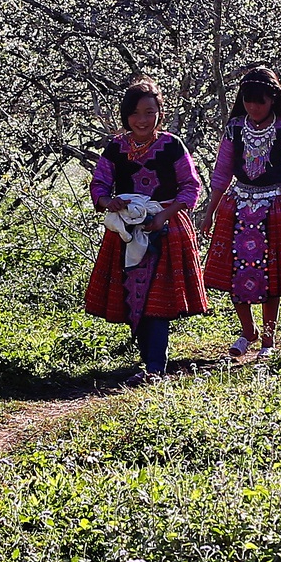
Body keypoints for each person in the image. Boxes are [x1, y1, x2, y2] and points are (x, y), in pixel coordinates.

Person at [83, 77, 206, 383]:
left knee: (158, 299)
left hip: (166, 229)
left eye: (150, 113)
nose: (142, 120)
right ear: (126, 115)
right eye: (136, 113)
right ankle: (149, 363)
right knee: (133, 295)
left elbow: (190, 187)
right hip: (126, 231)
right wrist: (108, 202)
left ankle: (154, 367)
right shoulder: (115, 148)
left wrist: (164, 214)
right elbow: (99, 184)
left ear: (159, 114)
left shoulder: (171, 146)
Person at [201, 65, 281, 358]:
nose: (253, 106)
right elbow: (222, 172)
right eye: (248, 100)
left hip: (275, 207)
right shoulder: (235, 128)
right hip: (237, 206)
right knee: (236, 270)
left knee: (269, 275)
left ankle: (268, 338)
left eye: (259, 101)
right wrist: (209, 212)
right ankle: (247, 330)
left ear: (272, 99)